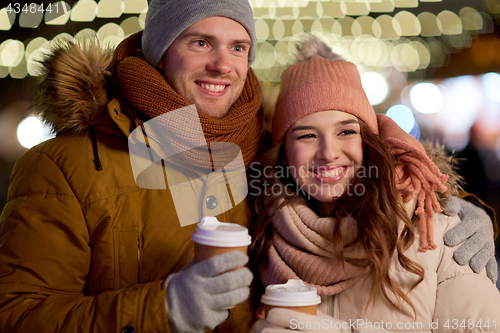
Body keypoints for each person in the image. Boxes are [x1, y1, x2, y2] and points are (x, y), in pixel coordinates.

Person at [0, 0, 494, 331]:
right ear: (158, 50)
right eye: (200, 42)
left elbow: (342, 134)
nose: (222, 64)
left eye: (237, 47)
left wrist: (448, 204)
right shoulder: (64, 166)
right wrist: (161, 308)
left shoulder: (257, 152)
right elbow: (15, 314)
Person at [248, 36, 500, 332]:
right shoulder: (262, 235)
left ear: (368, 142)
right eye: (307, 136)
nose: (328, 153)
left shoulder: (440, 234)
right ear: (284, 154)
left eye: (345, 132)